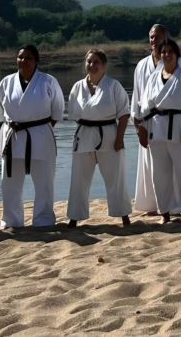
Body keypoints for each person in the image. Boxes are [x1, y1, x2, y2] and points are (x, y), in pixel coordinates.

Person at [0, 44, 65, 231]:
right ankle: (11, 220)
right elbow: (1, 114)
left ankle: (44, 220)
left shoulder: (48, 82)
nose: (23, 61)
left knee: (44, 181)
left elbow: (57, 111)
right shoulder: (6, 83)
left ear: (36, 61)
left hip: (40, 135)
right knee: (9, 183)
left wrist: (39, 128)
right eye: (20, 57)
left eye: (28, 58)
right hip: (13, 136)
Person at [137, 39, 181, 224]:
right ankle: (165, 213)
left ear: (177, 55)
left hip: (179, 128)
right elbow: (145, 107)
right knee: (160, 175)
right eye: (163, 52)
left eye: (170, 52)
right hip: (156, 129)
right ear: (159, 55)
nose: (166, 55)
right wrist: (142, 129)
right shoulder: (153, 78)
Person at [67, 49, 132, 228]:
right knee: (79, 179)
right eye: (89, 62)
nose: (92, 65)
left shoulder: (113, 86)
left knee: (116, 178)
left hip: (109, 134)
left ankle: (124, 216)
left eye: (96, 62)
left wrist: (120, 138)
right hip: (84, 134)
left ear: (104, 65)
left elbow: (124, 114)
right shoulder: (77, 87)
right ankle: (74, 217)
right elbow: (74, 114)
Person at [131, 24, 181, 216]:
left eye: (158, 37)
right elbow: (136, 97)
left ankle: (175, 206)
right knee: (149, 165)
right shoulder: (141, 65)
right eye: (152, 37)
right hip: (147, 121)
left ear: (166, 38)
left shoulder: (178, 64)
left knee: (172, 165)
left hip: (172, 121)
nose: (154, 41)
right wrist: (138, 126)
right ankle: (151, 205)